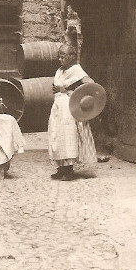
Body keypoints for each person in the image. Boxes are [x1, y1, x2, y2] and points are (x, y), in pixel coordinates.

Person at [48, 44, 97, 180]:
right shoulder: (60, 70)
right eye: (59, 56)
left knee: (68, 136)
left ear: (71, 57)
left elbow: (90, 84)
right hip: (58, 106)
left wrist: (71, 92)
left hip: (70, 107)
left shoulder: (76, 70)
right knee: (57, 136)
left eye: (63, 57)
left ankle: (69, 170)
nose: (60, 59)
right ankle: (61, 168)